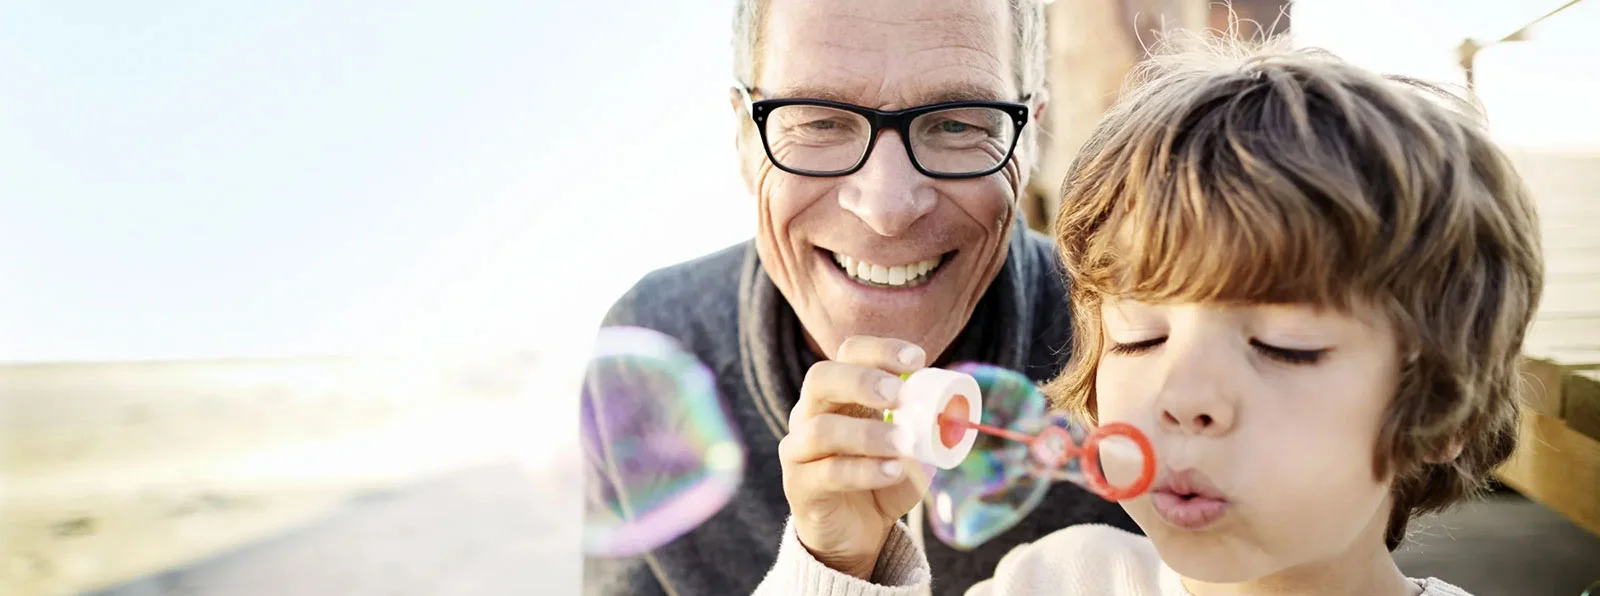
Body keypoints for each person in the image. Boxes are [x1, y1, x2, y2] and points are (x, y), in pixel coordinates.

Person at [755, 35, 1544, 596]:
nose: (1182, 392)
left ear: (1445, 407)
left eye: (1283, 344)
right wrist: (840, 567)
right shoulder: (1058, 580)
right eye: (1140, 334)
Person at [580, 1, 1138, 595]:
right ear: (745, 137)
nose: (887, 208)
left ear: (1029, 143)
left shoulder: (1136, 344)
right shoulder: (662, 344)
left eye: (957, 122)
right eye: (820, 120)